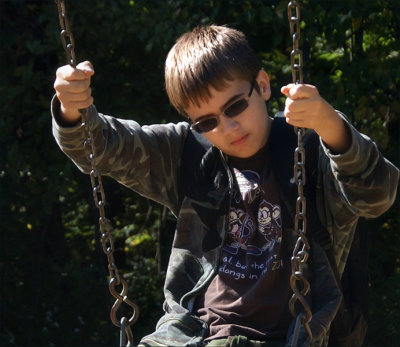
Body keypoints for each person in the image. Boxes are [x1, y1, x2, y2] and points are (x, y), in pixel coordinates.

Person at [52, 25, 399, 346]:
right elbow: (101, 149)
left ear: (262, 85)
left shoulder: (309, 152)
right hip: (195, 335)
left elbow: (376, 196)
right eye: (207, 121)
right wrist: (72, 108)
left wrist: (331, 126)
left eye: (235, 105)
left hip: (290, 336)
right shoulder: (188, 154)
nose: (228, 127)